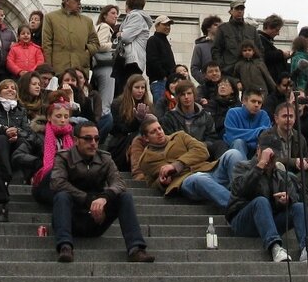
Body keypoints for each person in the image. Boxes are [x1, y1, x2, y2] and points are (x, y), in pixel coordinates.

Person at [50, 120, 155, 263]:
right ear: (76, 140)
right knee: (61, 196)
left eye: (97, 139)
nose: (93, 142)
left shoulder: (105, 158)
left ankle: (136, 249)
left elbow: (119, 183)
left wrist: (105, 197)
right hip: (71, 216)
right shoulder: (63, 157)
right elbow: (57, 183)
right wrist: (89, 200)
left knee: (125, 197)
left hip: (97, 217)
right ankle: (65, 247)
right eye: (87, 138)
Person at [226, 146, 308, 263]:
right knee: (260, 201)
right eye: (267, 154)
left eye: (273, 156)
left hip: (269, 221)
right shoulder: (241, 167)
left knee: (299, 207)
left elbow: (294, 199)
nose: (270, 159)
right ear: (258, 151)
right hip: (242, 220)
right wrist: (260, 166)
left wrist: (287, 200)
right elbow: (240, 190)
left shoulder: (282, 175)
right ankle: (275, 247)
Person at [135, 116, 244, 210]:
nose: (159, 133)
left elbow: (202, 151)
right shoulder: (145, 160)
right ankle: (236, 206)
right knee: (199, 178)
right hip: (186, 181)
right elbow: (152, 185)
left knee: (233, 153)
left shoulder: (179, 136)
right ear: (146, 138)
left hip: (208, 169)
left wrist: (177, 164)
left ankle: (244, 194)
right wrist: (162, 183)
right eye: (153, 132)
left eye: (159, 128)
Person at [0, 78, 34, 183]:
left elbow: (27, 132)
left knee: (22, 141)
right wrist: (4, 131)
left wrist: (17, 133)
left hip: (16, 141)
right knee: (2, 138)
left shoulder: (21, 109)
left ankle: (20, 175)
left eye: (13, 88)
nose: (10, 90)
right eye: (6, 88)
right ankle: (6, 174)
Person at [42, 0, 100, 74]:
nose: (79, 3)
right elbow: (46, 45)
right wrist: (49, 68)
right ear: (67, 1)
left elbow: (95, 43)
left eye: (80, 0)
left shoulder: (87, 21)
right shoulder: (50, 18)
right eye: (76, 0)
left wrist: (86, 51)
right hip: (59, 69)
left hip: (80, 69)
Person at [107, 74, 153, 173]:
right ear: (130, 88)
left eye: (143, 88)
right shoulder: (117, 104)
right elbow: (120, 128)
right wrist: (138, 120)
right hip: (121, 141)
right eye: (137, 87)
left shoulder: (148, 105)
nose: (140, 90)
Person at [114, 0, 152, 96]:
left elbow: (125, 37)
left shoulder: (136, 16)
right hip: (131, 60)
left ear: (128, 4)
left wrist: (120, 34)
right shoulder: (136, 17)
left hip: (132, 60)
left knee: (126, 92)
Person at [211, 0, 259, 79]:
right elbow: (216, 50)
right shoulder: (223, 29)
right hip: (230, 72)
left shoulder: (251, 30)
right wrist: (222, 67)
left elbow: (259, 50)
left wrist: (257, 65)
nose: (240, 11)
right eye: (237, 9)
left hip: (250, 72)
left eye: (242, 9)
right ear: (231, 11)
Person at [223, 89, 271, 157]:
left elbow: (266, 136)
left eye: (259, 102)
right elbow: (231, 136)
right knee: (239, 142)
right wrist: (258, 132)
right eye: (253, 101)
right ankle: (241, 167)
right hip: (235, 151)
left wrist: (248, 138)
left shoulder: (263, 115)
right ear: (244, 101)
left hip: (257, 151)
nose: (256, 105)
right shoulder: (233, 113)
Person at [92, 4, 120, 116]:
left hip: (100, 66)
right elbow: (99, 45)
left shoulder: (102, 27)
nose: (116, 16)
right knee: (106, 99)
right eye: (112, 13)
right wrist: (115, 46)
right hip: (104, 67)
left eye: (116, 13)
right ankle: (104, 116)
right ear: (104, 15)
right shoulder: (104, 26)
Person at [146, 16, 176, 103]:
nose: (168, 27)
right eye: (165, 25)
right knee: (160, 109)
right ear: (157, 26)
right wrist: (163, 76)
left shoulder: (164, 41)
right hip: (159, 81)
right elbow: (153, 60)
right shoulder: (153, 40)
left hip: (167, 82)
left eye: (169, 25)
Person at [257, 14, 291, 82]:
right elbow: (265, 56)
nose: (278, 33)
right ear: (269, 27)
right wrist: (282, 54)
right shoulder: (259, 40)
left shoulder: (265, 40)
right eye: (277, 30)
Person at [190, 15, 221, 83]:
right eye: (215, 25)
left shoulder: (224, 45)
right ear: (208, 28)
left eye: (220, 25)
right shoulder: (200, 47)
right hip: (207, 87)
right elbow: (194, 68)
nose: (219, 27)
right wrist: (204, 81)